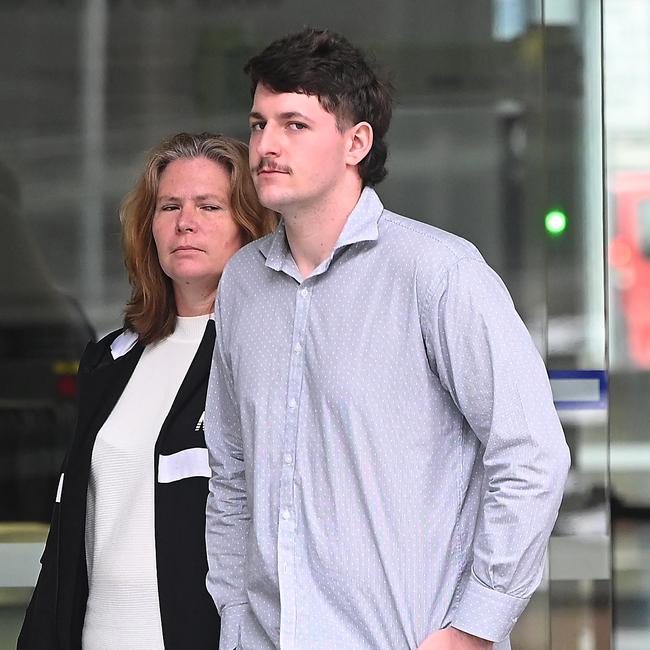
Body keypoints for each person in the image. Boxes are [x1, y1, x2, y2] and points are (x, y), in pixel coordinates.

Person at [205, 29, 570, 650]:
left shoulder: (439, 273)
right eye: (259, 123)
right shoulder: (242, 282)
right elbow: (232, 470)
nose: (265, 144)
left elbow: (532, 454)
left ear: (356, 142)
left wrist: (474, 628)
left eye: (294, 124)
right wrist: (235, 617)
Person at [18, 132, 277, 650]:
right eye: (169, 206)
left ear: (249, 228)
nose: (186, 222)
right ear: (149, 227)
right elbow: (70, 534)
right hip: (96, 635)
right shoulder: (109, 359)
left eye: (209, 206)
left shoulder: (269, 356)